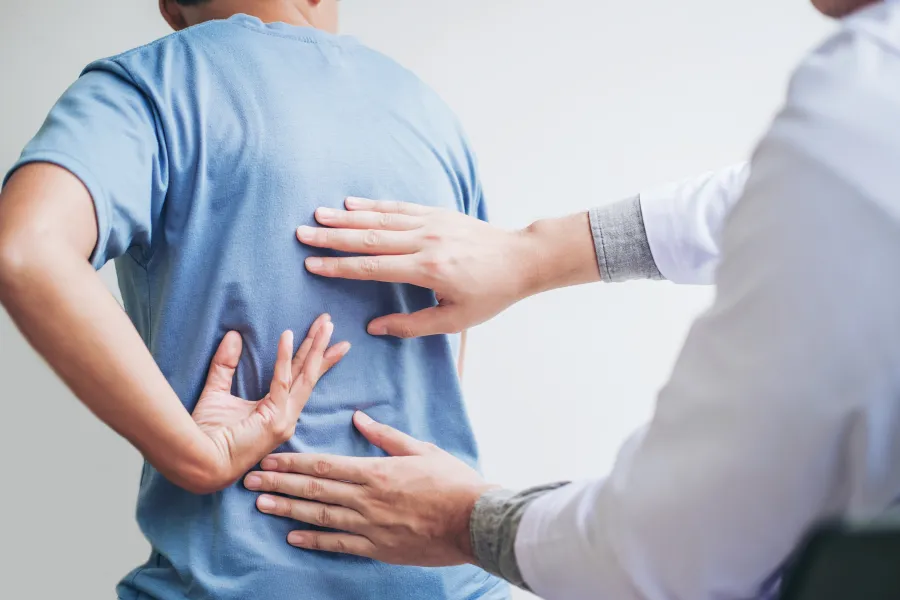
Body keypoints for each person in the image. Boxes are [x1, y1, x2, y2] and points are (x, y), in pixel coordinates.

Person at [236, 0, 900, 598]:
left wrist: (462, 520)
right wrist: (534, 252)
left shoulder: (867, 87)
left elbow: (670, 553)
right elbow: (791, 192)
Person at [0, 1, 507, 599]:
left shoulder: (155, 87)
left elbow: (31, 247)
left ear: (170, 7)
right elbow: (446, 364)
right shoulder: (433, 118)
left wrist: (197, 458)